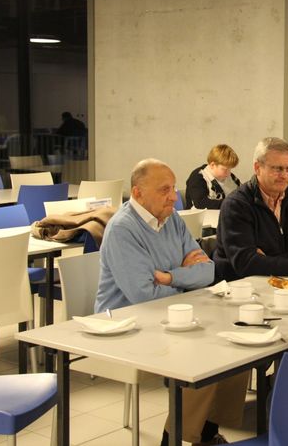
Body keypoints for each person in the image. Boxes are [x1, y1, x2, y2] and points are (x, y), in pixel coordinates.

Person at [95, 158, 246, 445]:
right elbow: (143, 295)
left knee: (238, 342)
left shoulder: (172, 218)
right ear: (138, 193)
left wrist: (168, 277)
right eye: (164, 190)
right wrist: (185, 277)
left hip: (170, 314)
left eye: (174, 189)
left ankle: (207, 432)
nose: (174, 197)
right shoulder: (123, 229)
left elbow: (208, 271)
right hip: (126, 324)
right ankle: (173, 438)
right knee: (207, 351)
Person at [213, 137, 288, 281]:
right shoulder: (236, 205)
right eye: (277, 169)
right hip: (241, 287)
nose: (284, 176)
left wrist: (266, 261)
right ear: (257, 168)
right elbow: (245, 263)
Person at [185, 144, 242, 209]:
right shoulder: (198, 177)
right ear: (212, 165)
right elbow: (200, 203)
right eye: (225, 169)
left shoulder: (230, 177)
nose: (228, 173)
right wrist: (231, 203)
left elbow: (242, 194)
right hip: (200, 215)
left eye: (230, 169)